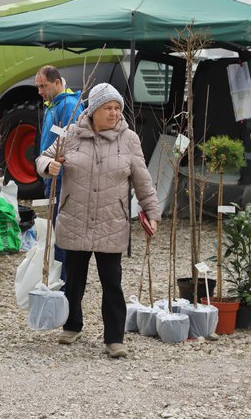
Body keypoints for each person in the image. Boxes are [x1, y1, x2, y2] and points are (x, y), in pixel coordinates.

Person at [35, 83, 160, 358]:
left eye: (117, 108)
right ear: (93, 111)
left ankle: (114, 338)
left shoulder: (129, 139)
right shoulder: (71, 134)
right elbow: (43, 159)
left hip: (110, 221)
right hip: (76, 216)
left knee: (112, 282)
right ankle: (72, 324)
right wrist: (49, 166)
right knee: (75, 277)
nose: (114, 113)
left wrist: (152, 212)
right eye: (108, 108)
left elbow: (143, 180)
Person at [35, 65, 84, 286]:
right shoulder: (53, 105)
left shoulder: (69, 106)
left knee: (62, 229)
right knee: (56, 228)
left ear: (57, 83)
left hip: (63, 178)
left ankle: (64, 281)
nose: (40, 91)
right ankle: (60, 277)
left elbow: (73, 145)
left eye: (43, 86)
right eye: (38, 86)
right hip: (52, 174)